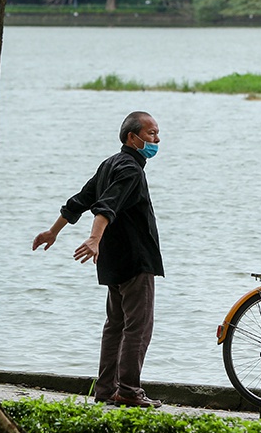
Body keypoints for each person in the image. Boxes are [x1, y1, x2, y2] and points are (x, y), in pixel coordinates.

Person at [32, 110, 164, 408]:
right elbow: (105, 205)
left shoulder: (110, 164)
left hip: (112, 261)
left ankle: (106, 390)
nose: (157, 139)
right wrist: (94, 238)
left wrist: (54, 231)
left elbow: (80, 200)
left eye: (157, 134)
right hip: (134, 259)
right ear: (133, 137)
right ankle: (129, 390)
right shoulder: (130, 169)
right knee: (138, 327)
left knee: (115, 325)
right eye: (151, 134)